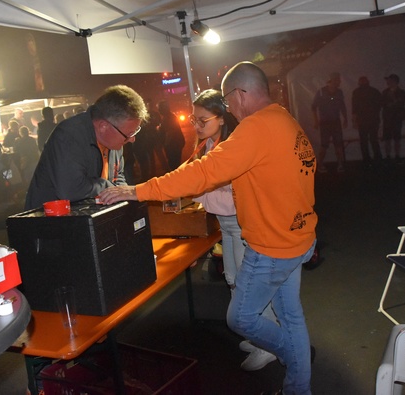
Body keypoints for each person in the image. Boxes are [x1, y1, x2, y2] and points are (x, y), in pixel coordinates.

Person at [99, 62, 317, 395]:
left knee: (241, 319)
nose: (229, 110)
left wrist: (136, 190)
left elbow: (202, 173)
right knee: (291, 316)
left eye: (229, 102)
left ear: (240, 94)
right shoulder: (286, 120)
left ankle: (291, 357)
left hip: (273, 245)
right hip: (298, 237)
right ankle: (298, 388)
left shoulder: (255, 128)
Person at [188, 89, 279, 371]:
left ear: (222, 117)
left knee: (250, 286)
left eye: (203, 120)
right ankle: (256, 335)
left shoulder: (233, 147)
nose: (197, 126)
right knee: (233, 279)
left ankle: (270, 343)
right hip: (227, 226)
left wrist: (194, 191)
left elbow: (233, 198)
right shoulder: (208, 145)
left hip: (242, 225)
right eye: (195, 119)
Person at [25, 85, 149, 209]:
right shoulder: (69, 136)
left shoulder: (113, 138)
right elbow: (71, 189)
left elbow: (118, 176)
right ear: (103, 126)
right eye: (128, 134)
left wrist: (123, 194)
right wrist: (108, 187)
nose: (132, 139)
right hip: (50, 220)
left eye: (134, 132)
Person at [311, 72, 348, 173]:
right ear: (333, 80)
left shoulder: (339, 92)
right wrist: (315, 120)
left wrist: (345, 118)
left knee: (338, 144)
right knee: (324, 145)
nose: (339, 81)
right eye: (338, 80)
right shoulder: (322, 92)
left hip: (336, 122)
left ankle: (340, 164)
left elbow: (342, 106)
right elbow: (313, 107)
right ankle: (320, 164)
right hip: (325, 123)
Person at [351, 76, 383, 167]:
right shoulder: (374, 91)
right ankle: (377, 158)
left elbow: (354, 108)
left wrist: (354, 120)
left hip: (363, 120)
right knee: (373, 140)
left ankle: (367, 160)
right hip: (372, 120)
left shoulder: (357, 92)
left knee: (364, 141)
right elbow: (380, 104)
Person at [382, 74, 405, 163]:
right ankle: (388, 155)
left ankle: (397, 155)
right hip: (387, 118)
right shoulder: (385, 92)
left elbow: (400, 104)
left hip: (397, 118)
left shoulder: (401, 92)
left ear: (394, 81)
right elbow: (383, 104)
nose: (387, 82)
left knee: (397, 138)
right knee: (387, 138)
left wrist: (392, 101)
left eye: (389, 80)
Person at [158, 100, 185, 170]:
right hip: (175, 143)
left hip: (173, 144)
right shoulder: (168, 117)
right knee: (174, 162)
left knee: (173, 162)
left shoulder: (168, 118)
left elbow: (170, 132)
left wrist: (166, 144)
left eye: (160, 108)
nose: (159, 110)